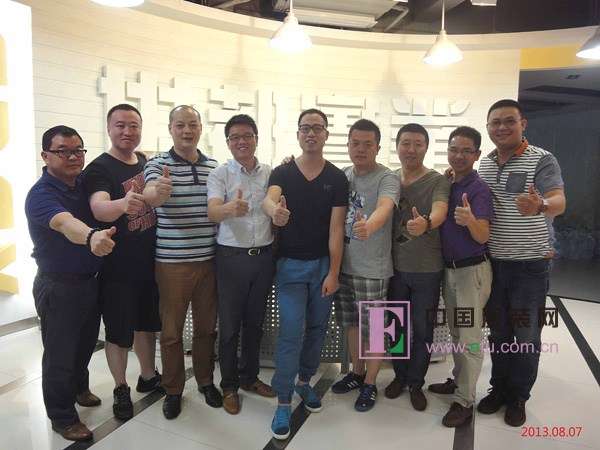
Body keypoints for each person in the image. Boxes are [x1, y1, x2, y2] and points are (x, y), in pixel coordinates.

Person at [477, 99, 565, 427]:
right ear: (488, 127)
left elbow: (559, 200)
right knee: (499, 333)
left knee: (526, 336)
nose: (502, 127)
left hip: (530, 266)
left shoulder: (542, 158)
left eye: (509, 121)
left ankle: (518, 396)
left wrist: (541, 204)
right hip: (494, 263)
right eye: (495, 122)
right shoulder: (485, 163)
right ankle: (499, 388)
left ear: (522, 124)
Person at [25, 125, 116, 441]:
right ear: (45, 155)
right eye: (63, 151)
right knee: (60, 355)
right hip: (58, 286)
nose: (74, 157)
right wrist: (91, 236)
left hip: (89, 282)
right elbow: (65, 223)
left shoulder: (82, 184)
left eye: (78, 150)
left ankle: (79, 388)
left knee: (85, 344)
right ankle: (62, 417)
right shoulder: (41, 195)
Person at [263, 108, 348, 440]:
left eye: (317, 128)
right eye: (305, 128)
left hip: (323, 266)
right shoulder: (282, 172)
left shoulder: (337, 178)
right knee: (290, 332)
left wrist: (334, 273)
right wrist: (275, 212)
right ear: (298, 134)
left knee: (317, 329)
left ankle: (304, 382)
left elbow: (336, 229)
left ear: (326, 134)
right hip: (290, 267)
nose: (311, 133)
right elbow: (269, 201)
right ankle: (283, 399)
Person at [82, 104, 164, 421]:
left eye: (133, 125)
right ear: (108, 128)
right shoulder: (99, 169)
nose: (127, 131)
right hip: (117, 268)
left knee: (147, 325)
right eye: (120, 125)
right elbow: (98, 208)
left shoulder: (145, 162)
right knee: (118, 332)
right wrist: (122, 203)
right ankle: (120, 387)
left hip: (149, 264)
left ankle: (148, 375)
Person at [144, 105, 221, 419]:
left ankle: (205, 381)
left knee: (206, 329)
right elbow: (150, 194)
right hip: (172, 263)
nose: (187, 131)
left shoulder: (214, 167)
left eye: (192, 125)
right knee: (172, 332)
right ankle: (173, 389)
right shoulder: (157, 164)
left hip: (210, 262)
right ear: (170, 129)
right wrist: (157, 192)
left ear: (201, 128)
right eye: (180, 125)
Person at [207, 114, 276, 415]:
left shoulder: (271, 173)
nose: (241, 141)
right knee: (230, 327)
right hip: (231, 259)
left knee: (254, 324)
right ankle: (229, 386)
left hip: (263, 258)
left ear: (256, 139)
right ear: (228, 143)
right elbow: (212, 212)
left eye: (247, 135)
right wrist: (228, 208)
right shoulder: (220, 174)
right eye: (235, 137)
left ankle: (250, 378)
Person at [330, 119, 399, 412]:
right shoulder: (344, 175)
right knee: (351, 325)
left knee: (375, 329)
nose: (360, 149)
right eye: (355, 143)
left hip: (373, 269)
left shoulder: (387, 178)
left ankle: (370, 383)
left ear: (378, 147)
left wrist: (369, 226)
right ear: (348, 145)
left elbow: (385, 207)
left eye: (367, 144)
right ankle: (357, 374)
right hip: (343, 266)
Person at [427, 126, 493, 427]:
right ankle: (459, 381)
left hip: (471, 272)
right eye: (454, 149)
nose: (459, 155)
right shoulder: (449, 182)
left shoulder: (478, 189)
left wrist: (470, 220)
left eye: (466, 151)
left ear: (477, 155)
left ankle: (465, 400)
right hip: (450, 270)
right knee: (456, 332)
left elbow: (483, 236)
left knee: (469, 338)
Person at [384, 123, 450, 412]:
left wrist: (427, 222)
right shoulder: (389, 179)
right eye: (406, 143)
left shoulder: (438, 181)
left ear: (426, 147)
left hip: (427, 270)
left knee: (423, 330)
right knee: (394, 327)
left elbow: (440, 209)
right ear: (397, 146)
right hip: (393, 269)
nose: (411, 149)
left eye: (418, 144)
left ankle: (415, 383)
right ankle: (399, 376)